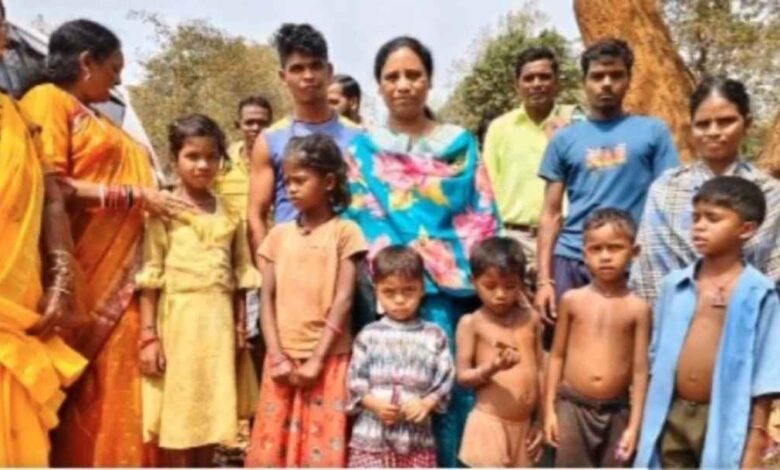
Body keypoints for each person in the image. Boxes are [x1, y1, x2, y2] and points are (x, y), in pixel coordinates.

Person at [21, 19, 192, 466]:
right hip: (82, 274)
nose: (117, 80)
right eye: (113, 68)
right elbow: (52, 187)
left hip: (127, 275)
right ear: (86, 62)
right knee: (100, 385)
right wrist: (136, 196)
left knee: (122, 382)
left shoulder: (96, 116)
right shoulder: (47, 101)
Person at [344, 35, 500, 467]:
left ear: (429, 81)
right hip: (391, 290)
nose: (403, 84)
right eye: (392, 76)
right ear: (379, 86)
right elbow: (358, 216)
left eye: (413, 75)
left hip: (452, 294)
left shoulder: (459, 145)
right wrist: (401, 268)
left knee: (446, 395)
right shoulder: (364, 150)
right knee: (390, 397)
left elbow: (481, 212)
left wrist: (451, 265)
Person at [535, 38, 678, 346]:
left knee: (630, 350)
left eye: (616, 75)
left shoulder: (653, 132)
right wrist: (544, 280)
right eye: (597, 76)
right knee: (567, 349)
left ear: (629, 79)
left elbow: (669, 204)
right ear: (585, 82)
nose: (607, 83)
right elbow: (550, 214)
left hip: (632, 261)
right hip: (573, 258)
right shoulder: (564, 140)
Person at [136, 115, 259, 466]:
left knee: (211, 409)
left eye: (211, 157)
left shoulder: (229, 212)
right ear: (174, 159)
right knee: (179, 408)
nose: (203, 165)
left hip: (218, 325)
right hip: (178, 322)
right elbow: (151, 275)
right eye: (192, 156)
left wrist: (240, 325)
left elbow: (240, 274)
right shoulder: (164, 211)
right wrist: (149, 336)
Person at [634, 177, 780, 468]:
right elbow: (654, 359)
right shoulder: (674, 286)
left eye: (713, 219)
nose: (699, 226)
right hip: (670, 413)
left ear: (746, 230)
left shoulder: (760, 293)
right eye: (696, 217)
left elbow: (766, 374)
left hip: (724, 419)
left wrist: (755, 440)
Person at [245, 134, 368, 467]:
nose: (291, 189)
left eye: (300, 180)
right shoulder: (278, 236)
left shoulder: (346, 232)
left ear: (328, 182)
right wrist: (275, 355)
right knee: (274, 446)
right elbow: (266, 299)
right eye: (287, 181)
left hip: (329, 359)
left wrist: (316, 359)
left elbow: (344, 299)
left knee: (321, 447)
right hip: (282, 360)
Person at [0, 1, 87, 464]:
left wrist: (61, 278)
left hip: (17, 301)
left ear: (3, 38)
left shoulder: (19, 120)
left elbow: (54, 198)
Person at [632, 76, 780, 304]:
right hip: (673, 314)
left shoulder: (769, 192)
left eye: (726, 121)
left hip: (750, 314)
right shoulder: (666, 189)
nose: (713, 132)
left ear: (747, 124)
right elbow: (650, 270)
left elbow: (772, 272)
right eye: (702, 124)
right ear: (691, 127)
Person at [543, 208, 650, 467]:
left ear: (634, 252)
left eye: (615, 248)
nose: (605, 257)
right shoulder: (572, 300)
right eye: (596, 249)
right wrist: (549, 411)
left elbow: (640, 371)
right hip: (572, 407)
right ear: (584, 254)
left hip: (617, 411)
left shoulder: (638, 309)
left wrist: (635, 426)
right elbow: (556, 357)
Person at [247, 23, 362, 263]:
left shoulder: (359, 137)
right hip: (291, 266)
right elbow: (256, 215)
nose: (308, 76)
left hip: (349, 265)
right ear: (283, 77)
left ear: (329, 71)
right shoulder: (269, 140)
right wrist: (268, 269)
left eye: (315, 66)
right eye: (298, 68)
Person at [346, 246, 454, 468]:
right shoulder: (369, 335)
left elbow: (445, 378)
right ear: (376, 291)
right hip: (372, 437)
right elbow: (356, 382)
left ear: (422, 289)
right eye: (389, 292)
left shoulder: (433, 335)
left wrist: (426, 403)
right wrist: (375, 405)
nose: (399, 300)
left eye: (408, 291)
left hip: (416, 439)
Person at [482, 46, 579, 284]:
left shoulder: (574, 124)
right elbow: (486, 189)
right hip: (514, 239)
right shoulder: (500, 128)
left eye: (544, 77)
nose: (537, 84)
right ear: (517, 85)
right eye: (529, 78)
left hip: (564, 238)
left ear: (557, 83)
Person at [456, 237, 544, 467]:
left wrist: (541, 420)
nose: (500, 294)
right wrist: (492, 367)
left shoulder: (531, 320)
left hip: (525, 427)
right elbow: (462, 377)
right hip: (489, 425)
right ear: (473, 282)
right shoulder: (472, 323)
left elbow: (541, 372)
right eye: (490, 286)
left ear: (521, 283)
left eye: (510, 286)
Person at [212, 95, 273, 389]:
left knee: (265, 334)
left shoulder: (279, 159)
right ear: (238, 125)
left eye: (262, 123)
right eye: (250, 122)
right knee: (237, 336)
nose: (256, 128)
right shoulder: (221, 164)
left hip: (268, 261)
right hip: (231, 263)